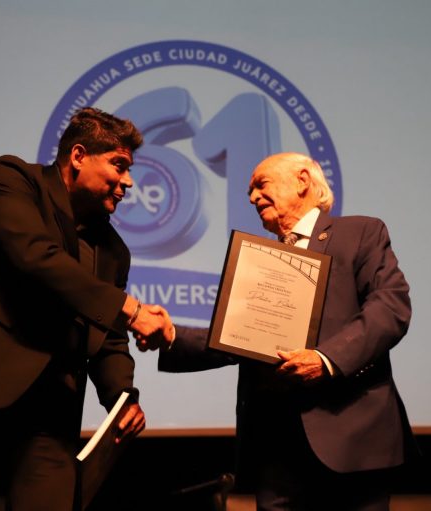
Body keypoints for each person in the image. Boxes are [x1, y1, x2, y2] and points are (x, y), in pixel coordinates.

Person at [0, 107, 174, 511]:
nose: (128, 181)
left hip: (54, 416)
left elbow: (108, 337)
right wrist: (131, 310)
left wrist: (122, 397)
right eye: (119, 165)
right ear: (78, 156)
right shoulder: (10, 180)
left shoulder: (114, 251)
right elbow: (37, 258)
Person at [144, 152, 415, 510]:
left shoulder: (360, 233)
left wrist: (326, 359)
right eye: (250, 192)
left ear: (302, 180)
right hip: (276, 453)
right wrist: (171, 335)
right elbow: (237, 338)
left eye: (261, 184)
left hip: (352, 440)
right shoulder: (261, 259)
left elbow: (390, 307)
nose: (253, 198)